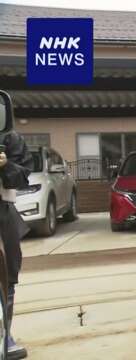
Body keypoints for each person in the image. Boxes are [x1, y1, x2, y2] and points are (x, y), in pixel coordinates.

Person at [0, 108, 33, 360]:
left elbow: (23, 176)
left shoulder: (8, 139)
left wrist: (5, 164)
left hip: (2, 210)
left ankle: (4, 335)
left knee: (6, 275)